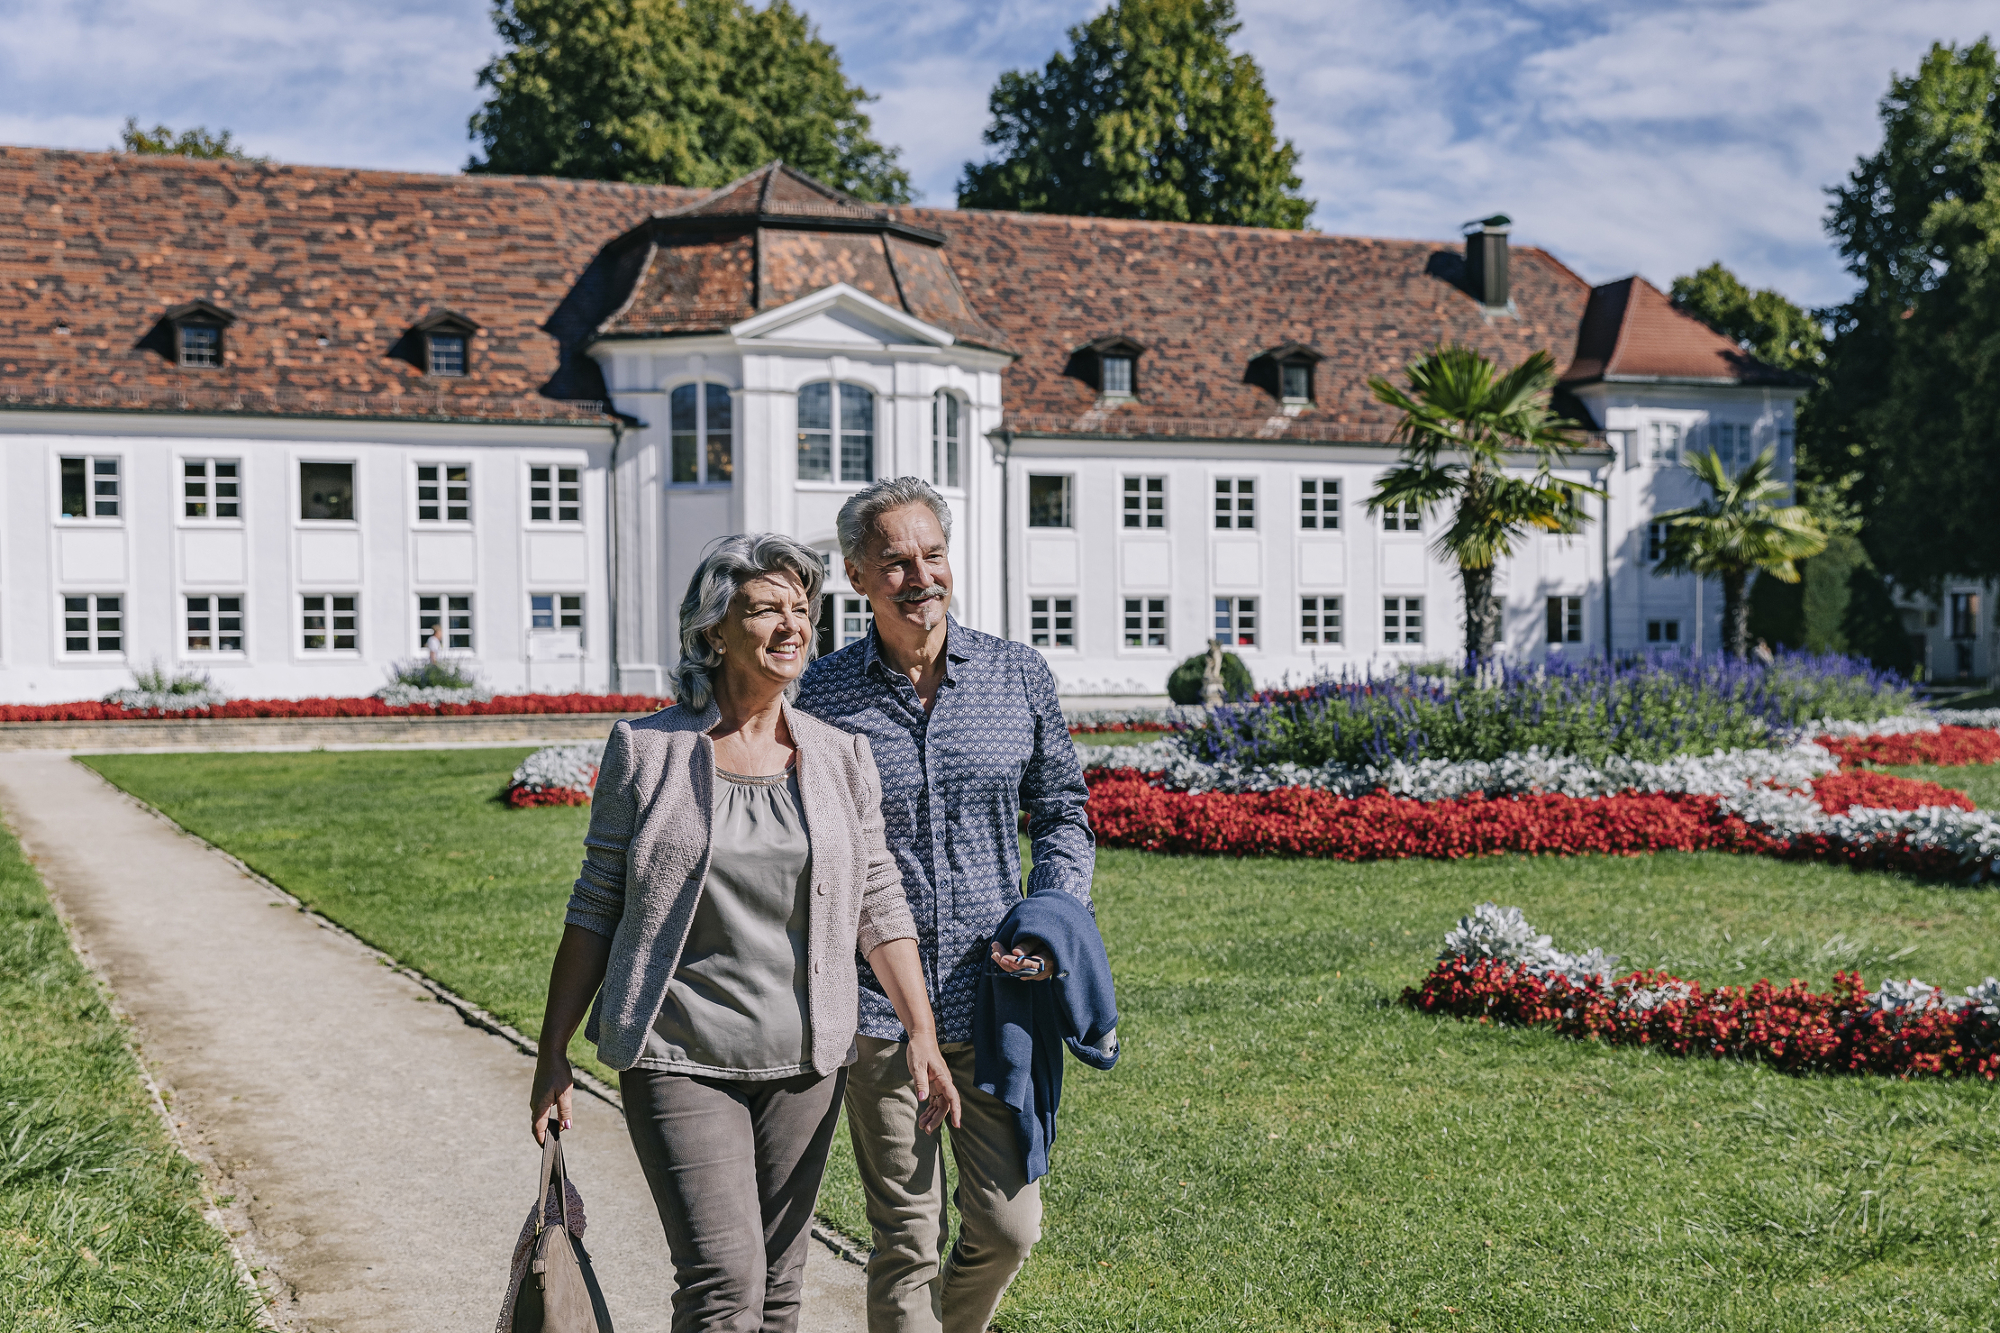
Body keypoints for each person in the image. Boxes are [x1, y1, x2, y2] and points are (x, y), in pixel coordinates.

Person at [528, 532, 962, 1333]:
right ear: (714, 630)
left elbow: (879, 900)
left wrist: (921, 1032)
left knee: (778, 1296)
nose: (792, 625)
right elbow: (596, 904)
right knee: (724, 1284)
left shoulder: (840, 757)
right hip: (678, 1052)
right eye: (766, 608)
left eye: (803, 609)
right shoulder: (648, 750)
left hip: (803, 1062)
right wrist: (552, 1053)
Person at [795, 478, 1095, 1333]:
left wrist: (1054, 915)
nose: (919, 575)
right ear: (857, 575)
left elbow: (1065, 810)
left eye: (931, 555)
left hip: (998, 999)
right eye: (894, 561)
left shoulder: (1017, 675)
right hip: (879, 1008)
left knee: (1007, 1227)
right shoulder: (822, 697)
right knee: (906, 1237)